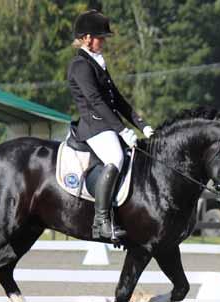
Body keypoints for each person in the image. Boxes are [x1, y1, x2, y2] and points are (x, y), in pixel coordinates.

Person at [67, 10, 155, 240]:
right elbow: (95, 101)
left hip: (106, 124)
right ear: (87, 38)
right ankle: (101, 222)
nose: (104, 42)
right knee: (115, 158)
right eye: (100, 37)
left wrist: (141, 124)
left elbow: (117, 99)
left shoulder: (97, 63)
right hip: (94, 126)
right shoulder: (80, 65)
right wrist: (122, 130)